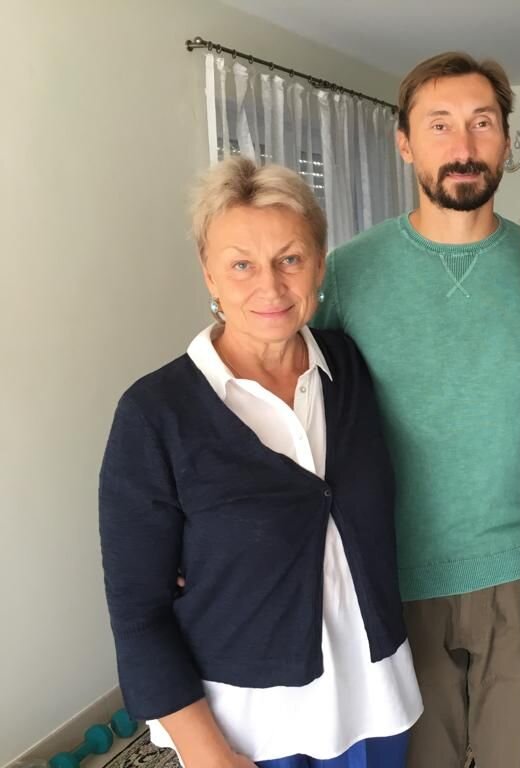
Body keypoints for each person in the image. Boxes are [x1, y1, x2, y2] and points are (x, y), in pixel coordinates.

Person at [99, 157, 422, 768]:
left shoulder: (349, 368)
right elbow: (138, 610)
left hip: (373, 697)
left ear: (319, 264)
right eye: (241, 264)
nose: (270, 287)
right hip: (247, 724)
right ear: (209, 274)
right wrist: (207, 753)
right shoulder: (155, 413)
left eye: (289, 259)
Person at [313, 53, 520, 768]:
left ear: (507, 140)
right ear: (405, 143)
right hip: (392, 574)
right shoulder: (347, 274)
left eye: (481, 123)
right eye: (440, 125)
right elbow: (286, 401)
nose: (463, 146)